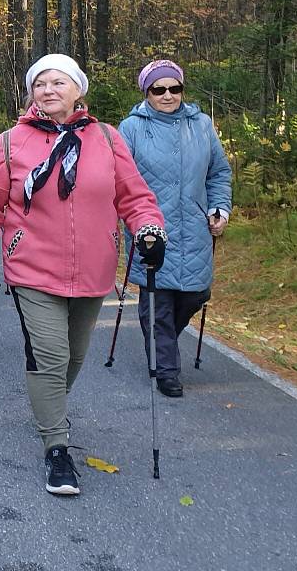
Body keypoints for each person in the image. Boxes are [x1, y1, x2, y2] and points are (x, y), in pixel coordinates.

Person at [0, 53, 165, 496]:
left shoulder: (108, 140)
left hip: (93, 269)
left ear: (79, 89)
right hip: (32, 267)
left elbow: (135, 197)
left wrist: (149, 230)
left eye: (59, 82)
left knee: (74, 356)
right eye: (40, 84)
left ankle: (48, 400)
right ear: (31, 93)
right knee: (52, 356)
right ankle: (56, 446)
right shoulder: (11, 142)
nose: (49, 90)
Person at [119, 59, 232, 398]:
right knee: (158, 300)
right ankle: (167, 370)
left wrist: (220, 208)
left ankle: (162, 340)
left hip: (196, 228)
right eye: (159, 89)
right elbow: (120, 179)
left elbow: (218, 173)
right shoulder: (131, 128)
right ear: (147, 92)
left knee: (196, 293)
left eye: (174, 88)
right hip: (151, 228)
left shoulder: (201, 125)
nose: (168, 95)